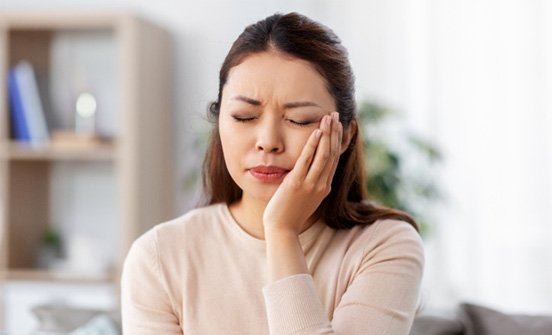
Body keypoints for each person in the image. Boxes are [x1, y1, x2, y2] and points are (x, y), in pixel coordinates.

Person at [121, 12, 424, 335]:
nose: (268, 142)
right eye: (244, 116)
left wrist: (281, 232)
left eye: (300, 120)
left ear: (345, 135)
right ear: (219, 121)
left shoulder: (385, 245)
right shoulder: (159, 257)